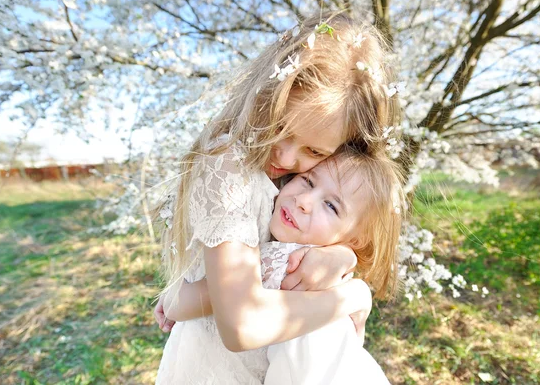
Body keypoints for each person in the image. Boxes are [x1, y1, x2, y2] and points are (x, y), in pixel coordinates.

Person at [153, 11, 402, 384]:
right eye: (280, 128)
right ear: (267, 96)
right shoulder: (229, 166)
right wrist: (353, 295)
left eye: (314, 153)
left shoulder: (291, 184)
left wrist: (342, 252)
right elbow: (240, 324)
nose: (285, 159)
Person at [166, 147, 403, 384]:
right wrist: (357, 288)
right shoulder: (326, 268)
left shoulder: (289, 264)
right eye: (308, 181)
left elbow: (174, 305)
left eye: (331, 206)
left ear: (355, 240)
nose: (304, 201)